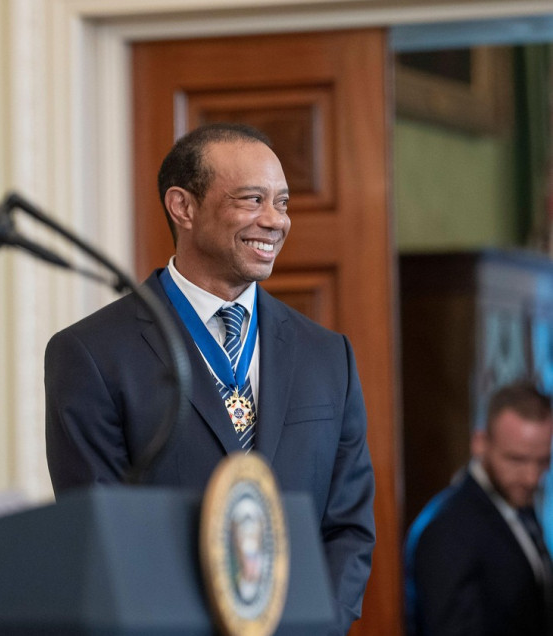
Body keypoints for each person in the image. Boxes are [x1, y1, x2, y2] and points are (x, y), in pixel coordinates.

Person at [44, 122, 375, 635]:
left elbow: (348, 527)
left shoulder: (328, 356)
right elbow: (102, 539)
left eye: (282, 203)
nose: (275, 221)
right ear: (184, 207)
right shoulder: (90, 354)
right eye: (252, 200)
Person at [404, 382, 553, 636]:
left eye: (542, 461)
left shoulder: (516, 501)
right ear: (480, 442)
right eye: (517, 459)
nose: (532, 477)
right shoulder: (448, 528)